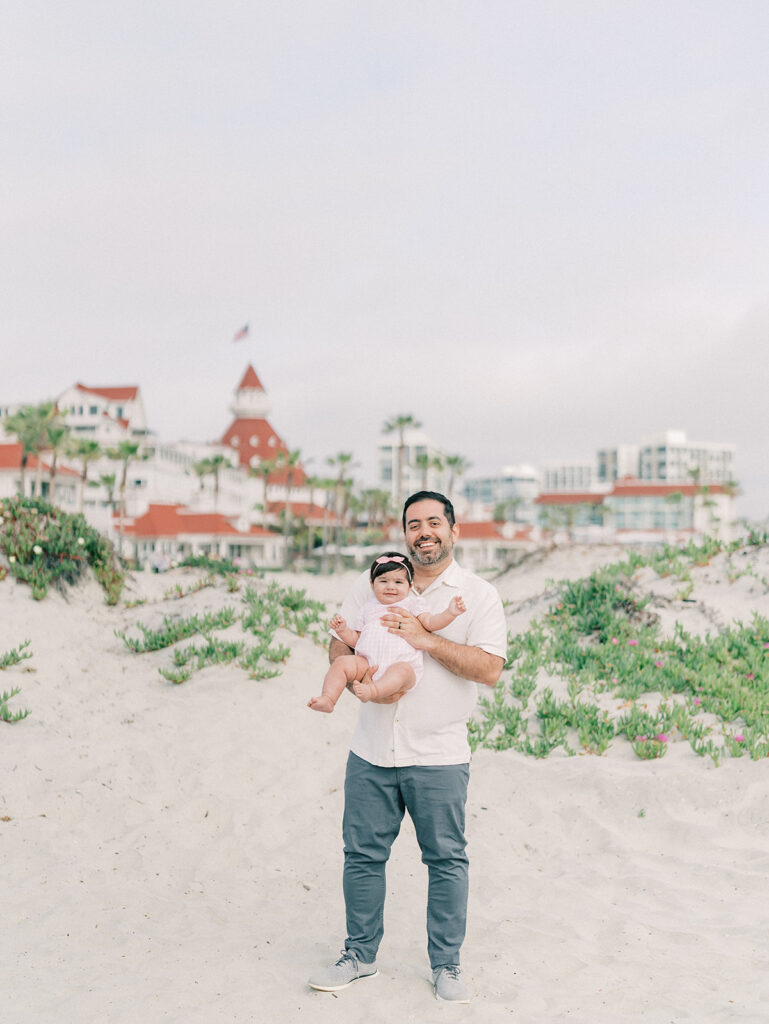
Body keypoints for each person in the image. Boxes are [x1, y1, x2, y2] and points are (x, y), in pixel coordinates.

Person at [308, 492, 507, 1003]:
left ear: (454, 530)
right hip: (371, 749)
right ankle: (359, 955)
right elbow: (341, 644)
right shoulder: (374, 582)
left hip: (439, 753)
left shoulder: (477, 595)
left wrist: (425, 638)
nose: (425, 531)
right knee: (362, 856)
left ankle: (447, 965)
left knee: (445, 859)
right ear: (404, 533)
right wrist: (355, 675)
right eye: (414, 523)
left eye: (434, 522)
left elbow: (489, 669)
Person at [307, 551, 466, 712]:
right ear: (372, 584)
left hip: (402, 664)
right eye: (383, 581)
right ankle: (328, 698)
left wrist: (450, 613)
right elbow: (357, 640)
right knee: (341, 662)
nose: (390, 586)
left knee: (400, 672)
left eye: (398, 582)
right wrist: (343, 631)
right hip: (368, 663)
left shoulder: (412, 604)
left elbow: (431, 623)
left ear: (410, 586)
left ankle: (373, 691)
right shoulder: (367, 608)